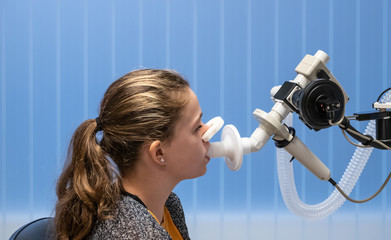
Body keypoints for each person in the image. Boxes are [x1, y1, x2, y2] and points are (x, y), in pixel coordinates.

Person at [54, 69, 211, 240]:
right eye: (197, 128)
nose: (207, 131)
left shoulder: (169, 205)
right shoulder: (129, 233)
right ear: (159, 153)